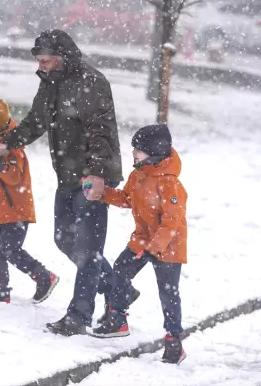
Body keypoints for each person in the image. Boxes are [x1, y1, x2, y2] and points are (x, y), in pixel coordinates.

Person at [0, 29, 134, 336]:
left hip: (91, 177)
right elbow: (37, 121)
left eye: (45, 60)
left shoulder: (92, 83)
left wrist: (96, 174)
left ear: (62, 58)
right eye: (38, 60)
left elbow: (101, 131)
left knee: (89, 248)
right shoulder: (51, 82)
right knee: (64, 239)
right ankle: (117, 288)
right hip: (67, 174)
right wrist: (9, 144)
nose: (39, 66)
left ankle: (79, 316)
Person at [88, 124, 188, 365]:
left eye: (139, 150)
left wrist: (155, 249)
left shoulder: (170, 184)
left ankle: (174, 341)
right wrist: (102, 193)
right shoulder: (139, 175)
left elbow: (172, 222)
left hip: (168, 246)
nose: (133, 152)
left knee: (168, 293)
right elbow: (126, 199)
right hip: (143, 240)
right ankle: (117, 318)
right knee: (121, 269)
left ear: (154, 152)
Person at [0, 98, 59, 304]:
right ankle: (1, 290)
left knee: (11, 251)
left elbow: (15, 178)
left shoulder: (12, 150)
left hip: (15, 211)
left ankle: (44, 276)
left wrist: (0, 167)